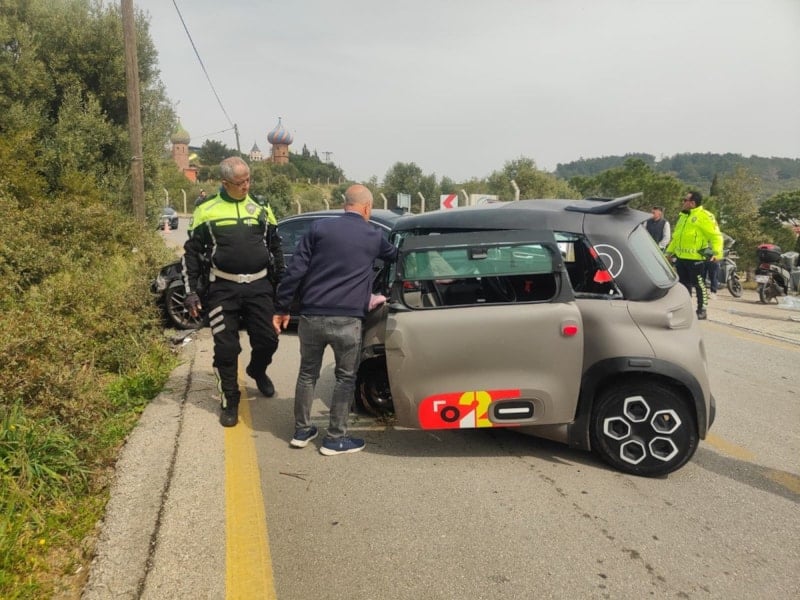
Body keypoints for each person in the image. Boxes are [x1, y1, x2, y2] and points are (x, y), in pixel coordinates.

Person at [272, 184, 398, 456]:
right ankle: (335, 438)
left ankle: (301, 431)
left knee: (307, 373)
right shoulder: (373, 235)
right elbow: (396, 256)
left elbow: (295, 270)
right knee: (345, 377)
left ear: (345, 205)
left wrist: (282, 307)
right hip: (347, 320)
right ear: (367, 207)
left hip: (311, 316)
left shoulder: (318, 229)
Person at [182, 157, 284, 427]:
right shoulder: (206, 209)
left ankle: (257, 370)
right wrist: (191, 292)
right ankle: (230, 399)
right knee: (226, 349)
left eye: (248, 180)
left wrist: (282, 283)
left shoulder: (261, 206)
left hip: (259, 286)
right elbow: (191, 254)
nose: (246, 186)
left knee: (268, 340)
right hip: (222, 288)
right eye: (240, 183)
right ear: (225, 183)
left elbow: (275, 246)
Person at [665, 191, 723, 320]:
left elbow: (716, 236)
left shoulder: (705, 216)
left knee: (699, 286)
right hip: (681, 258)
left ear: (692, 203)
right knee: (683, 286)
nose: (683, 202)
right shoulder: (683, 216)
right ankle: (684, 309)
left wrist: (717, 253)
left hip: (696, 259)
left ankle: (702, 310)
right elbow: (676, 238)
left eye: (685, 200)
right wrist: (668, 252)